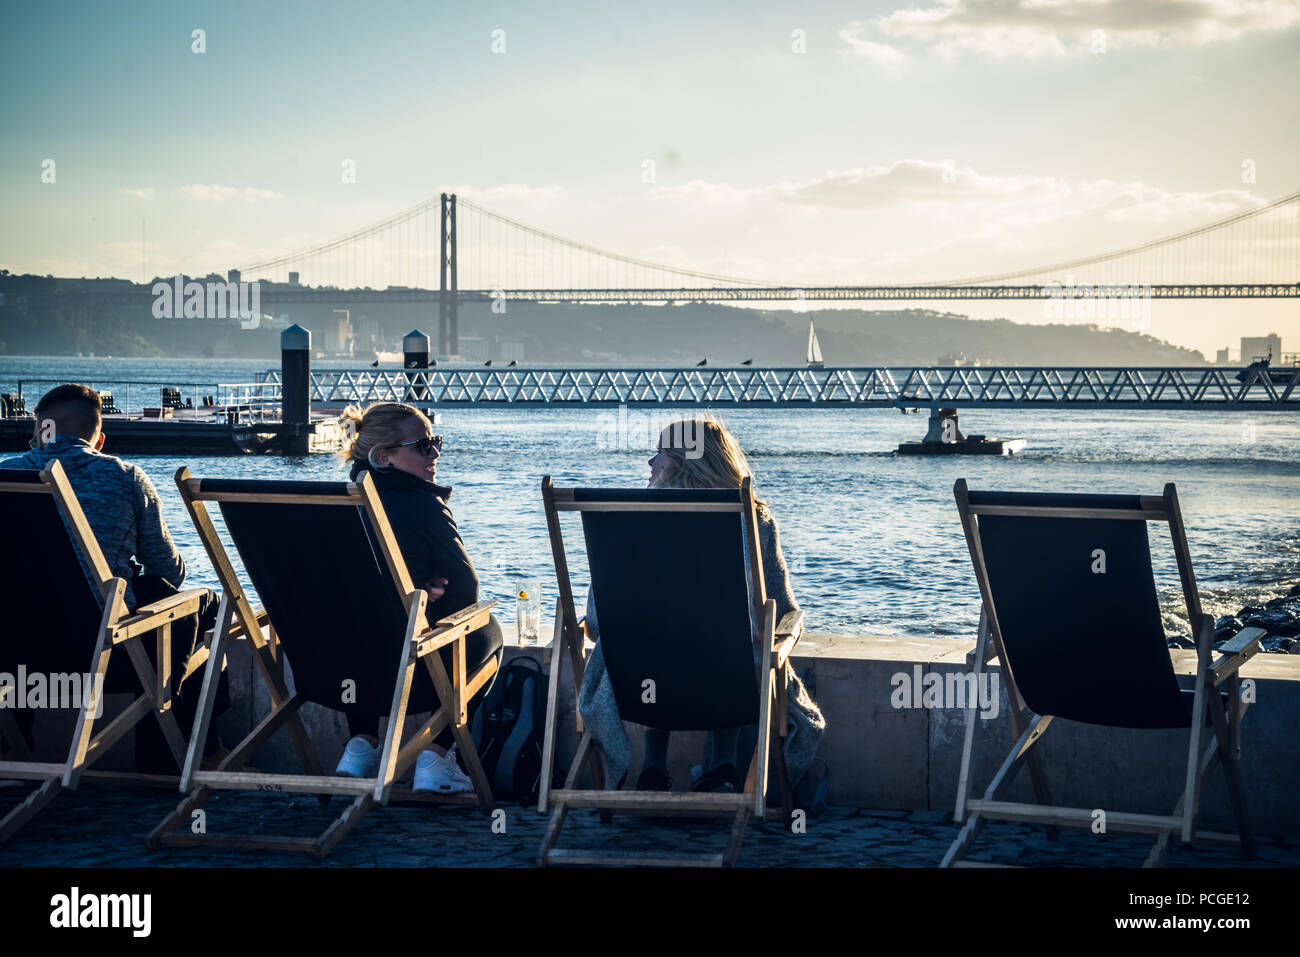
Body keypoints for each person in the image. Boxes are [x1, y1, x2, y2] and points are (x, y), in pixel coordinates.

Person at [578, 416, 825, 793]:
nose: (650, 464)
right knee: (738, 642)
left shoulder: (627, 521)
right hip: (728, 682)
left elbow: (596, 624)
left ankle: (652, 770)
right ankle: (724, 770)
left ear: (680, 461)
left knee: (656, 641)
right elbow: (779, 613)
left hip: (640, 685)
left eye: (658, 453)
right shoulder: (754, 520)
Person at [0, 383, 226, 773]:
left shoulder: (5, 476)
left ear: (39, 432)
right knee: (201, 601)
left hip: (15, 648)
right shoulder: (124, 477)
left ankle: (11, 753)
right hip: (100, 650)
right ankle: (181, 754)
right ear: (99, 440)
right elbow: (170, 571)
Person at [336, 401, 503, 793]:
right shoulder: (420, 501)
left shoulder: (338, 503)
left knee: (352, 620)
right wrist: (422, 593)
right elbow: (466, 589)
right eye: (423, 445)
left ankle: (361, 744)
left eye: (436, 441)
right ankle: (435, 755)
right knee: (488, 630)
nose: (436, 453)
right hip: (410, 675)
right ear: (384, 457)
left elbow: (341, 581)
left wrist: (409, 587)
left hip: (336, 672)